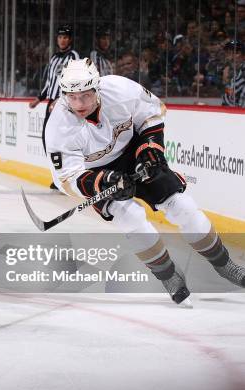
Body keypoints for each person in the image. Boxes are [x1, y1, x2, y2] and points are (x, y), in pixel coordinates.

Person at [44, 58, 245, 305]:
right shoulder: (58, 125)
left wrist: (150, 150)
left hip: (133, 152)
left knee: (183, 207)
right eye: (72, 97)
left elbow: (151, 115)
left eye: (85, 95)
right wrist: (102, 182)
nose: (78, 104)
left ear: (97, 88)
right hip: (97, 172)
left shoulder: (119, 89)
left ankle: (224, 265)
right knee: (131, 218)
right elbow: (66, 178)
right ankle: (168, 275)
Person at [29, 24, 79, 190]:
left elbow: (74, 80)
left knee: (64, 141)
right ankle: (59, 176)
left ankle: (69, 175)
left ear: (70, 39)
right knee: (48, 140)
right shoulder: (54, 58)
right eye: (60, 37)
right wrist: (39, 98)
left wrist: (63, 99)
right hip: (51, 103)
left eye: (65, 37)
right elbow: (50, 82)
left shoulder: (73, 56)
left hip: (65, 104)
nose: (62, 40)